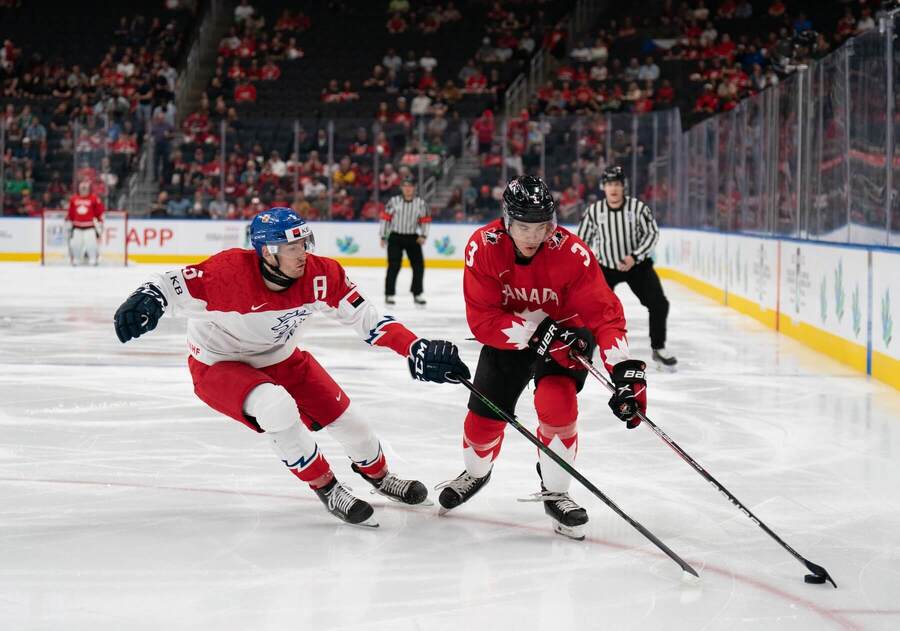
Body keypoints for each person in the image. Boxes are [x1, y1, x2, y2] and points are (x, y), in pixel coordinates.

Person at [113, 208, 470, 527]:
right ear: (267, 252)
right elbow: (168, 285)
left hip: (281, 357)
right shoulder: (227, 273)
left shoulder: (322, 275)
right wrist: (146, 299)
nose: (302, 254)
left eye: (304, 244)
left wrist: (413, 347)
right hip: (218, 364)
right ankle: (326, 486)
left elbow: (369, 320)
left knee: (353, 423)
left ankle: (380, 476)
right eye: (292, 248)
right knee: (276, 407)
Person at [436, 175, 649, 540]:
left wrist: (625, 371)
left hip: (567, 334)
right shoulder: (483, 248)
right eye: (523, 227)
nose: (534, 235)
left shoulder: (572, 253)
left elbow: (605, 315)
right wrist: (536, 335)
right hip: (511, 335)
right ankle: (476, 471)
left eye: (542, 226)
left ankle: (556, 492)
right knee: (482, 422)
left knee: (558, 405)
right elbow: (483, 320)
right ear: (506, 221)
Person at [576, 165, 677, 369]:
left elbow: (652, 234)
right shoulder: (595, 211)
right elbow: (582, 241)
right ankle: (586, 349)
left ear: (624, 187)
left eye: (617, 184)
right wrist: (587, 265)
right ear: (603, 187)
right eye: (609, 184)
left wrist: (635, 256)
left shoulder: (638, 208)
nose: (613, 188)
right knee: (594, 309)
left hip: (637, 265)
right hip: (605, 267)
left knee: (659, 304)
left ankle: (658, 348)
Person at [380, 176, 430, 306]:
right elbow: (386, 219)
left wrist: (423, 235)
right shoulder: (394, 201)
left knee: (419, 266)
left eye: (410, 186)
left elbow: (425, 220)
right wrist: (383, 236)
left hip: (412, 237)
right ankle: (389, 294)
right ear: (401, 188)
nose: (408, 189)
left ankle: (417, 293)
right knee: (394, 265)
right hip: (395, 237)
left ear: (414, 188)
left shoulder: (420, 203)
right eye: (405, 186)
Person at [66, 180, 105, 266]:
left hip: (89, 226)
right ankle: (76, 259)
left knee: (91, 244)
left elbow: (99, 211)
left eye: (85, 188)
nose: (83, 190)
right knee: (76, 244)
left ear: (89, 189)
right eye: (82, 188)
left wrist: (100, 221)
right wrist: (69, 220)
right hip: (77, 226)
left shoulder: (94, 199)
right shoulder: (74, 199)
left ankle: (93, 258)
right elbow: (71, 212)